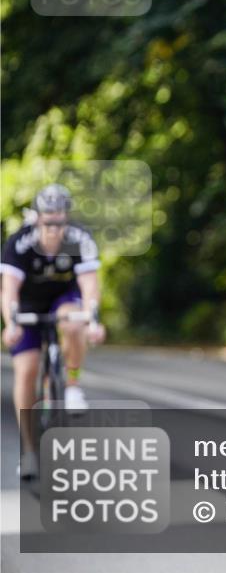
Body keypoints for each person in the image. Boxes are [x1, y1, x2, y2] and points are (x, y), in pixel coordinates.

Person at [1, 184, 106, 479]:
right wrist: (11, 325)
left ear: (66, 219)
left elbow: (89, 285)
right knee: (26, 370)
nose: (54, 230)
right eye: (48, 223)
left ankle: (71, 386)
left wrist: (94, 321)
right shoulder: (20, 242)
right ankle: (30, 450)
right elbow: (8, 289)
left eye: (60, 223)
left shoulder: (79, 239)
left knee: (73, 322)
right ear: (37, 219)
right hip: (27, 303)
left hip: (63, 298)